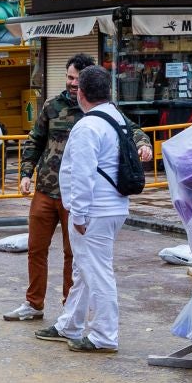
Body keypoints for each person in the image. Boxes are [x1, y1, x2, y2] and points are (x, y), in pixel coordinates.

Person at [6, 53, 155, 323]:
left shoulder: (99, 112)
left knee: (73, 256)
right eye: (69, 77)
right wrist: (26, 173)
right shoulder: (53, 105)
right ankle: (33, 303)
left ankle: (69, 309)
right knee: (36, 249)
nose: (71, 83)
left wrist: (144, 143)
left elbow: (131, 129)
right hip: (46, 189)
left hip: (75, 197)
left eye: (76, 78)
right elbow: (35, 140)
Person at [37, 66, 130, 354]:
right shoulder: (115, 118)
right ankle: (70, 324)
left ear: (82, 93)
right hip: (112, 206)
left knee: (97, 271)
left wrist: (78, 214)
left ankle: (104, 335)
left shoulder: (88, 126)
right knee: (84, 269)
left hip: (95, 211)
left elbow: (82, 174)